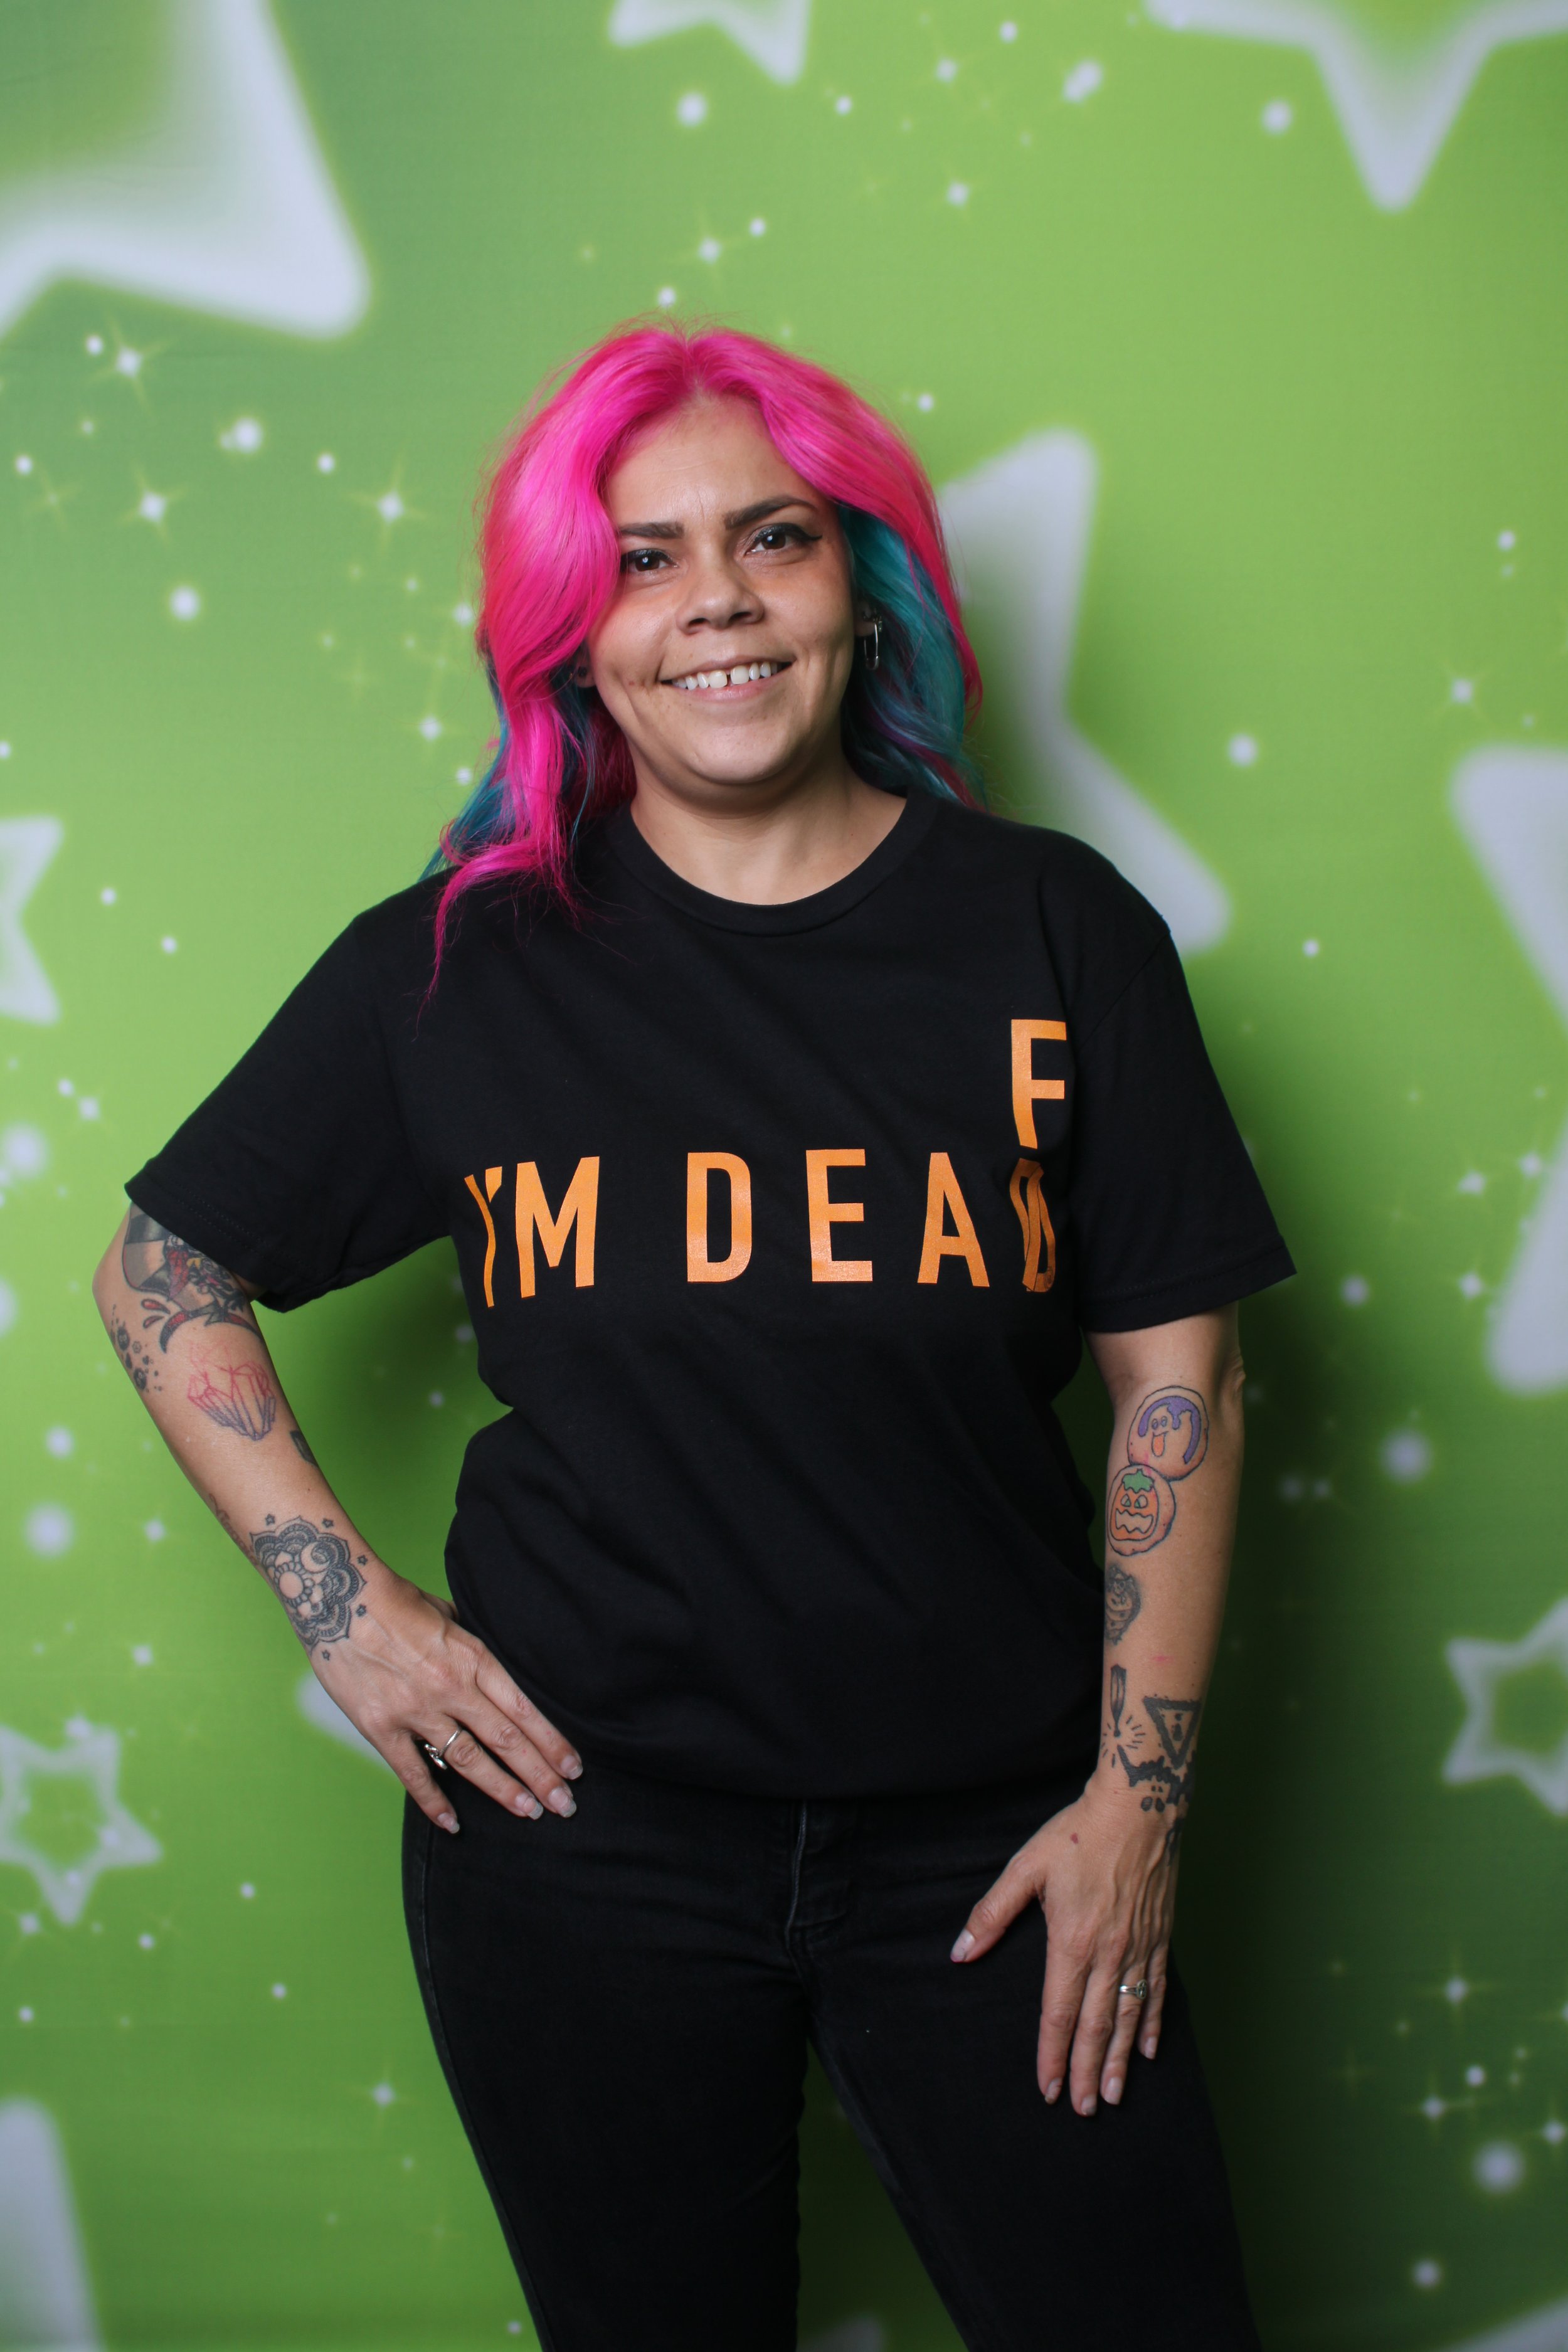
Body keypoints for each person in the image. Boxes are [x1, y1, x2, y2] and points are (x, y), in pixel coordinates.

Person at [95, 322, 1293, 2351]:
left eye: (772, 538)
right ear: (571, 637)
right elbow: (159, 1272)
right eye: (640, 560)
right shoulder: (459, 966)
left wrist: (1135, 1808)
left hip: (1001, 1838)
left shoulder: (1053, 930)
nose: (715, 601)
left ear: (862, 589)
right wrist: (349, 1616)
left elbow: (1179, 1381)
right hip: (582, 1848)